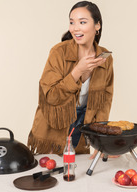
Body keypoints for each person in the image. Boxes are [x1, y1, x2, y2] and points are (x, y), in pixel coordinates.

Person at [27, 1, 114, 156]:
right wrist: (78, 71)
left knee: (76, 172)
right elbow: (50, 97)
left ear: (97, 26)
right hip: (53, 127)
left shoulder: (104, 57)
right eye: (72, 22)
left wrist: (101, 141)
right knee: (53, 172)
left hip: (83, 126)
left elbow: (104, 102)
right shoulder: (58, 52)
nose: (75, 28)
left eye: (82, 22)